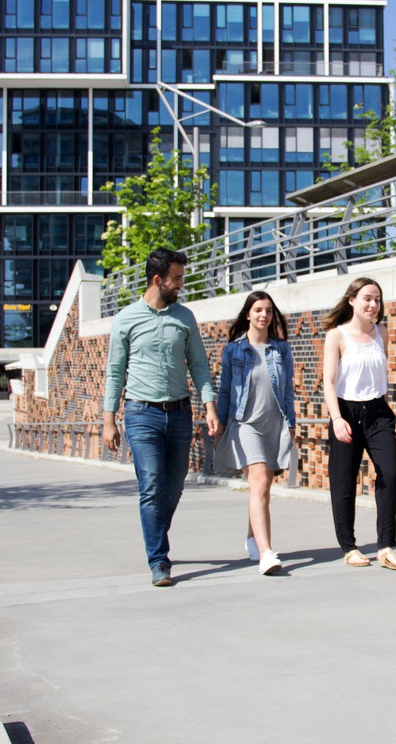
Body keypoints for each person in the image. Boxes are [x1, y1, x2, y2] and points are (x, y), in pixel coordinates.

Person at [103, 248, 220, 588]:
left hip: (180, 413)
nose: (181, 284)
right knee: (152, 487)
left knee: (174, 486)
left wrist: (209, 406)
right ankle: (159, 560)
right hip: (141, 414)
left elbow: (198, 364)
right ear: (158, 280)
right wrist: (108, 419)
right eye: (177, 278)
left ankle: (152, 529)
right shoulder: (126, 319)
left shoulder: (185, 317)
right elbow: (114, 372)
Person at [321, 278, 396, 570]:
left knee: (390, 475)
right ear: (352, 300)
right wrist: (336, 419)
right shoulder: (337, 336)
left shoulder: (382, 332)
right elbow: (329, 382)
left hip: (378, 413)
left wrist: (382, 405)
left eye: (377, 300)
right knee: (344, 482)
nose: (373, 305)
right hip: (345, 411)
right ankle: (349, 546)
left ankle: (386, 546)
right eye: (367, 299)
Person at [214, 291, 295, 577]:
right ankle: (266, 553)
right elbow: (225, 390)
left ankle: (252, 538)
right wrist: (220, 423)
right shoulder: (234, 350)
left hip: (274, 424)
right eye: (258, 310)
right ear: (248, 313)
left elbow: (287, 390)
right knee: (259, 482)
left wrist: (291, 425)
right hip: (244, 423)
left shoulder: (281, 350)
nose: (264, 315)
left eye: (269, 311)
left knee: (263, 489)